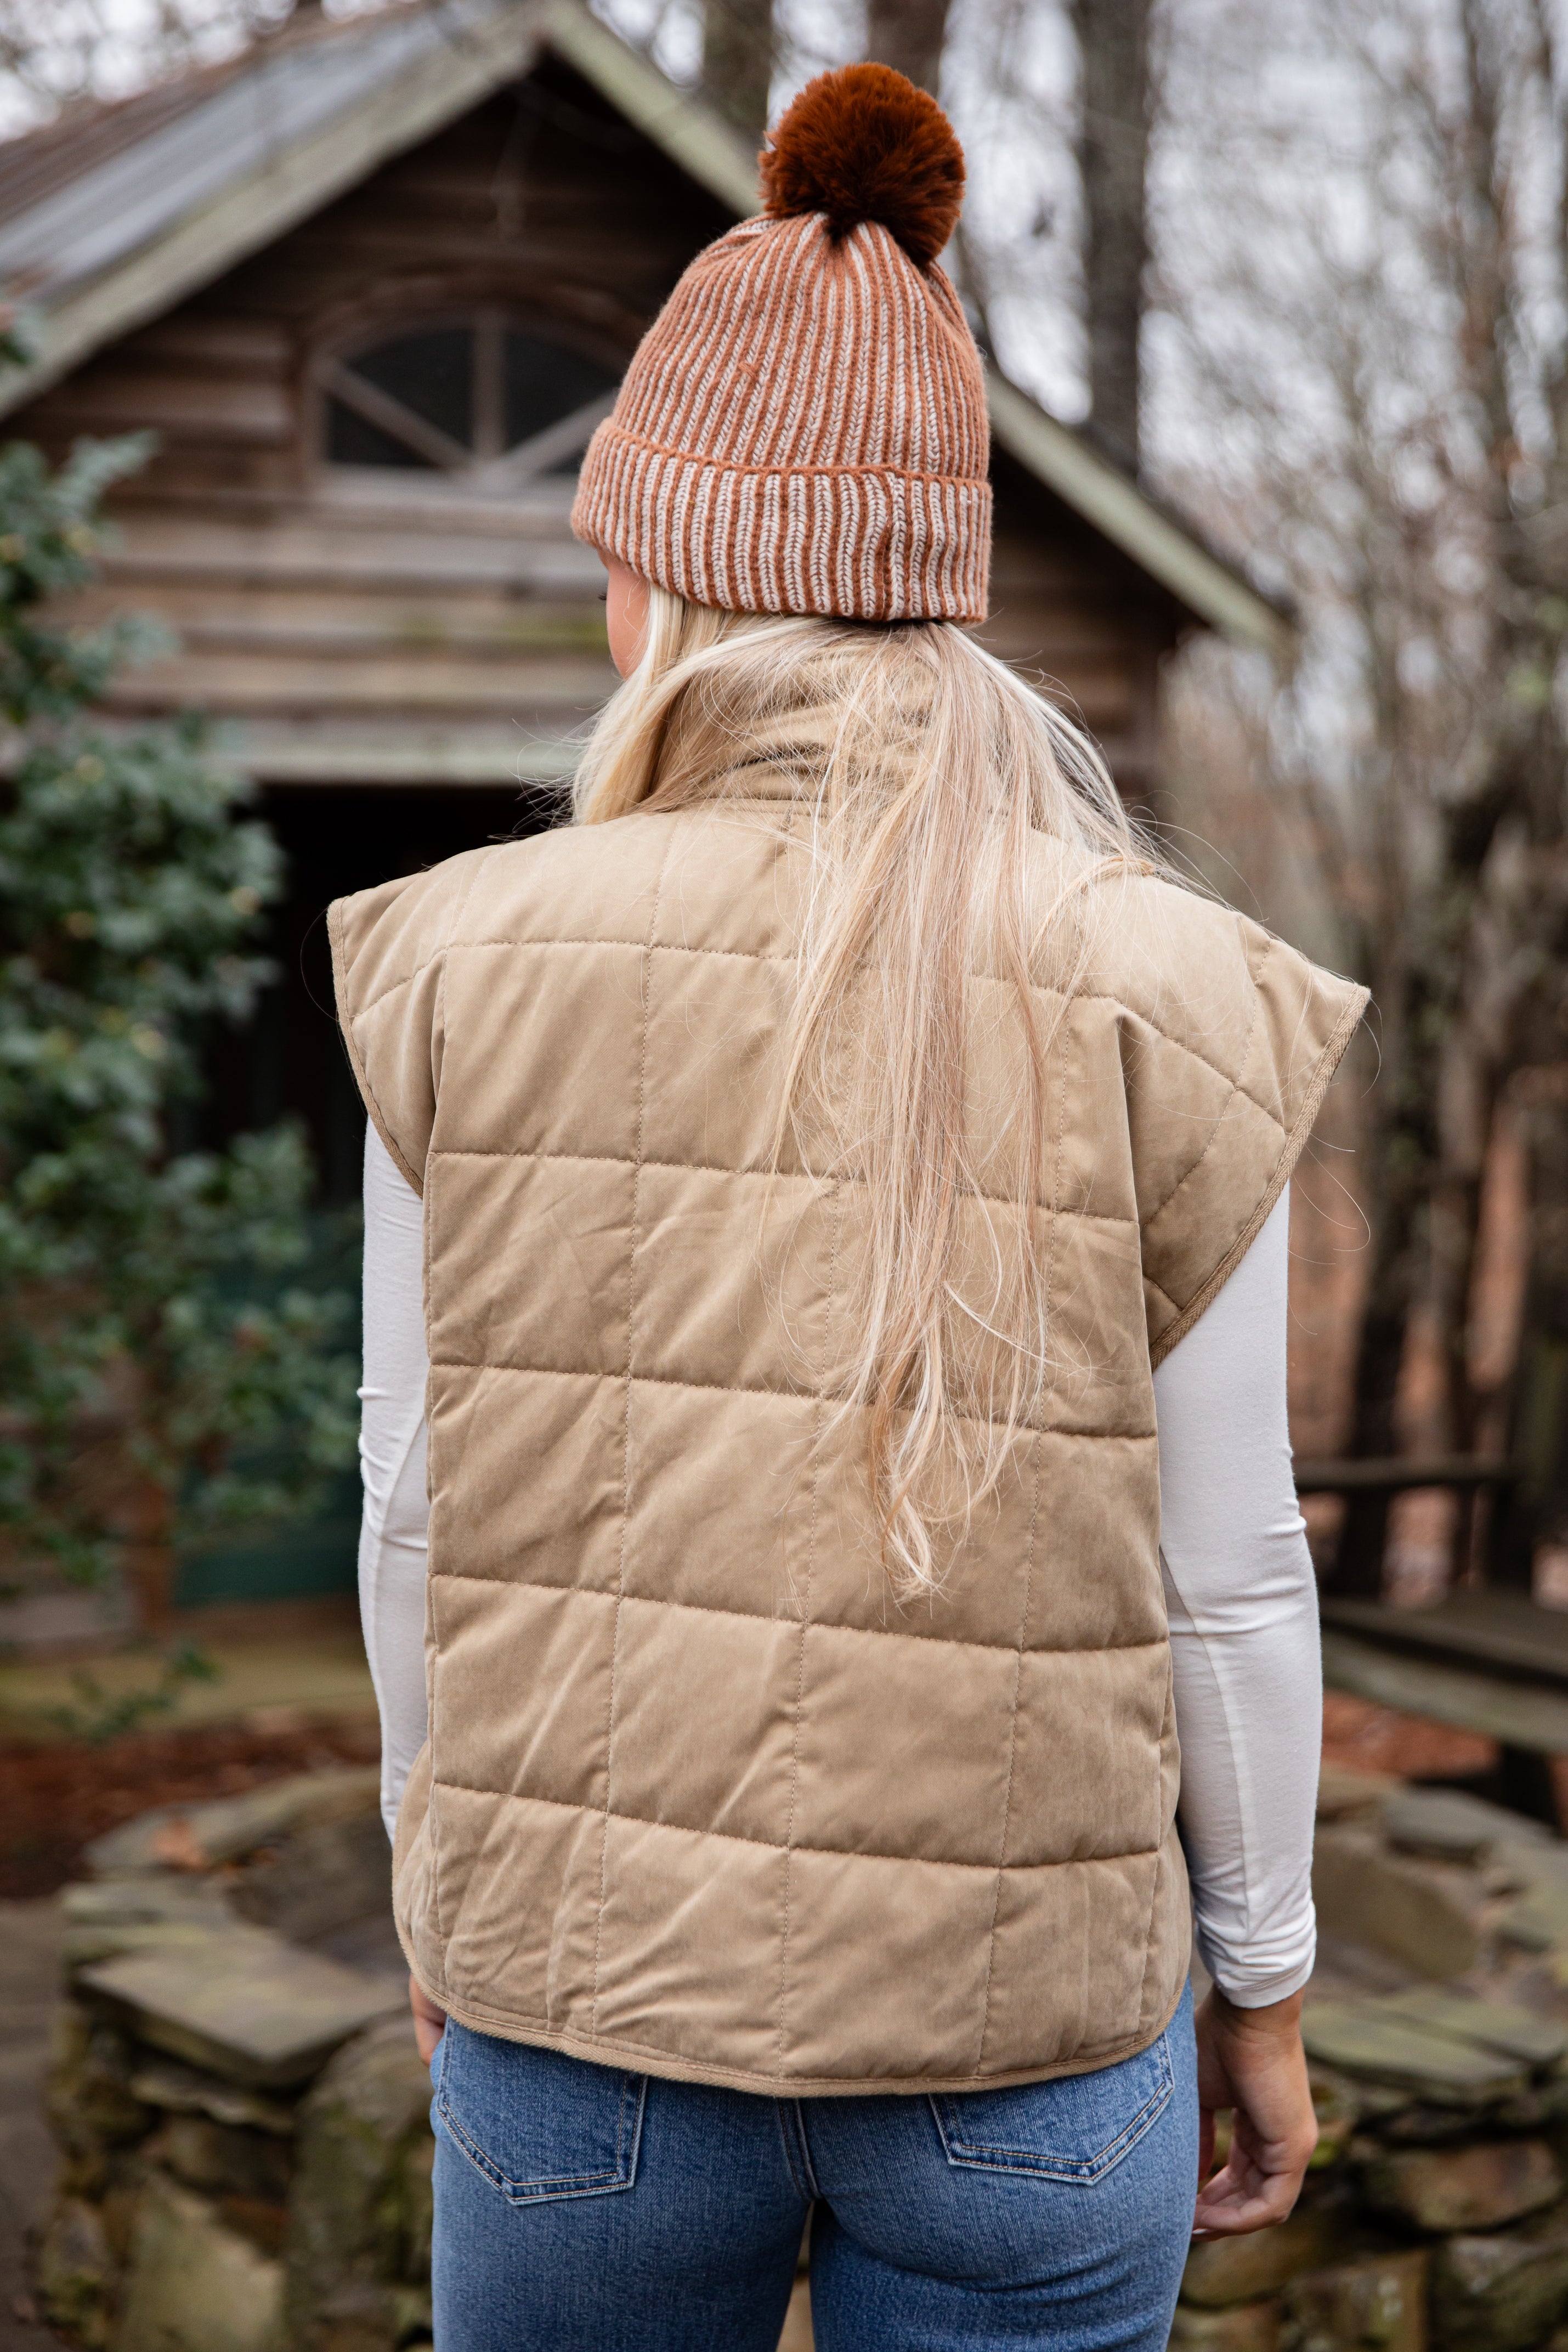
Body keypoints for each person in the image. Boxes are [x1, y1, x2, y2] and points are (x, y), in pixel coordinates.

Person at [334, 63, 1365, 2352]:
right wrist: (1268, 1983)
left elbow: (416, 1507)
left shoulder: (453, 957)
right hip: (1026, 2057)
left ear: (657, 574)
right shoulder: (1169, 982)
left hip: (583, 2032)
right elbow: (1226, 1569)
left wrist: (451, 1903)